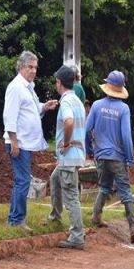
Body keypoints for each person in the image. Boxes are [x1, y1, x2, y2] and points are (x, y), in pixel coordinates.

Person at [3, 50, 59, 233]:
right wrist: (14, 141)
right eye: (30, 67)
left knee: (22, 180)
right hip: (19, 142)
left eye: (35, 67)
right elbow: (9, 116)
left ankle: (15, 218)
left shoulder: (29, 87)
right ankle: (16, 220)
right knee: (22, 180)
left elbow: (33, 109)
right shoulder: (16, 87)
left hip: (26, 142)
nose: (34, 71)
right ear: (21, 67)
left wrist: (44, 106)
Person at [85, 70, 134, 244]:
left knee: (104, 187)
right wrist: (130, 158)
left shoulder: (96, 105)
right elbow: (126, 136)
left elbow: (87, 130)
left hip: (101, 155)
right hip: (117, 157)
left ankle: (96, 217)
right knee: (125, 192)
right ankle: (133, 228)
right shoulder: (123, 109)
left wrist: (90, 149)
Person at [48, 65, 87, 250]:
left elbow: (69, 121)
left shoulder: (66, 102)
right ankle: (55, 216)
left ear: (59, 82)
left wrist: (65, 143)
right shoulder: (77, 100)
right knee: (55, 179)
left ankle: (77, 236)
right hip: (75, 156)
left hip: (69, 157)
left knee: (71, 196)